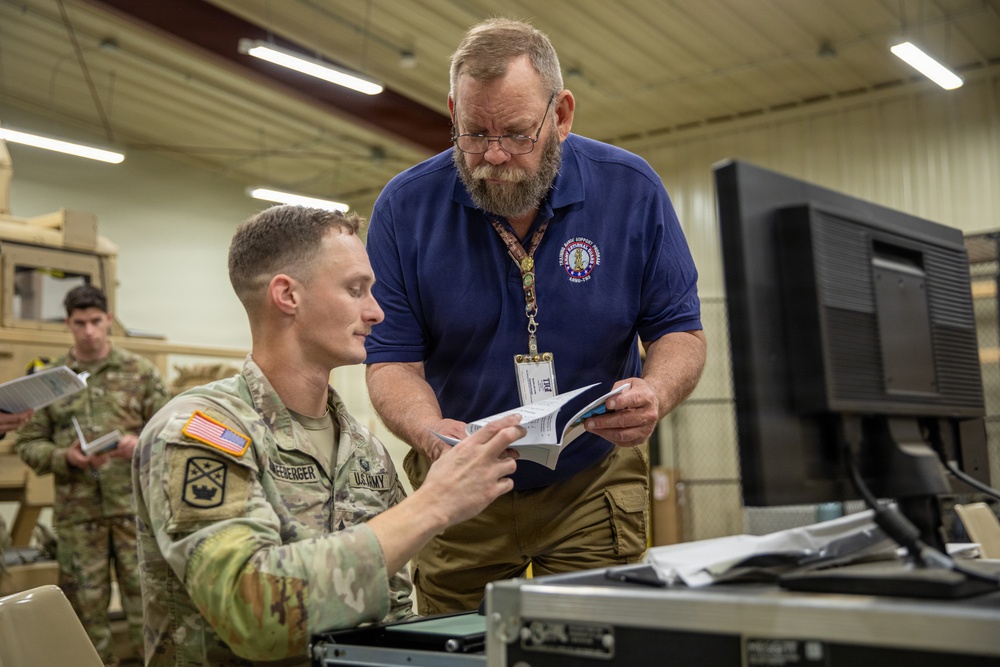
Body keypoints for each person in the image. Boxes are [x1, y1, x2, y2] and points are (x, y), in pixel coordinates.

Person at [364, 17, 707, 614]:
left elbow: (679, 330)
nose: (493, 157)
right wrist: (429, 432)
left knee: (593, 643)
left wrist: (655, 392)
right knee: (455, 650)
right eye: (474, 133)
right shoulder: (404, 207)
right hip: (462, 486)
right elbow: (391, 361)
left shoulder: (631, 190)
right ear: (453, 111)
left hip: (590, 477)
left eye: (518, 134)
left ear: (562, 114)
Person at [132, 204, 523, 666]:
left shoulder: (362, 451)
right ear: (287, 295)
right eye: (355, 290)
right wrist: (433, 504)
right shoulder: (201, 432)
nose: (376, 312)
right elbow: (251, 615)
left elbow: (391, 611)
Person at [14, 284, 170, 665]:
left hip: (134, 512)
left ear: (109, 320)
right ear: (68, 323)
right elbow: (27, 443)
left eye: (96, 321)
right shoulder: (50, 380)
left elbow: (170, 430)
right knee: (86, 613)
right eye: (80, 323)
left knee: (150, 606)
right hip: (78, 517)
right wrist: (64, 457)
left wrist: (139, 443)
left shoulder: (140, 372)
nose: (89, 331)